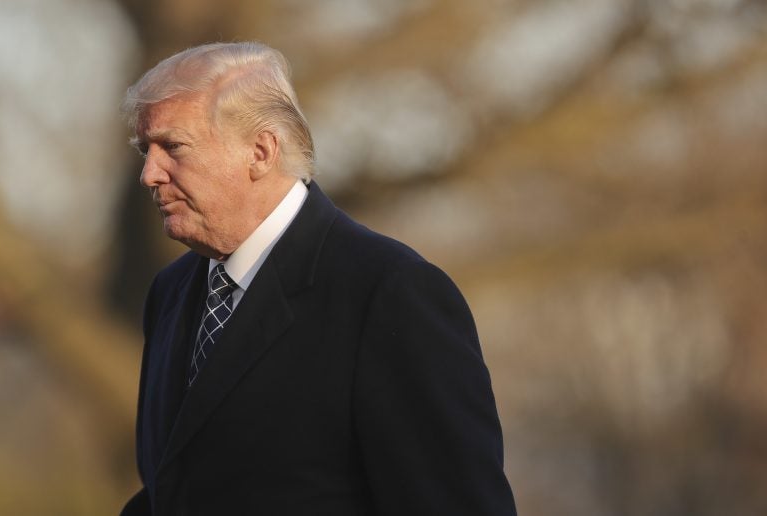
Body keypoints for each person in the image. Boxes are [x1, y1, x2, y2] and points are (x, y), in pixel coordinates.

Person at [120, 41, 516, 516]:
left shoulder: (390, 294)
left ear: (261, 151)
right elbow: (173, 491)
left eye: (173, 147)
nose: (149, 174)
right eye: (145, 150)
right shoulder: (171, 292)